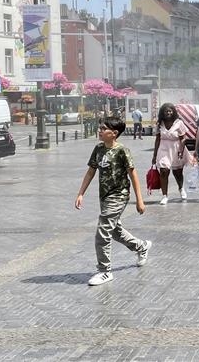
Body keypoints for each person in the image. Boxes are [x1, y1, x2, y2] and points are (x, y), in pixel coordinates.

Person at [74, 116, 151, 286]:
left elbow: (133, 175)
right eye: (100, 127)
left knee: (102, 231)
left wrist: (140, 200)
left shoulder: (122, 151)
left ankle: (105, 271)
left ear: (114, 133)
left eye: (103, 128)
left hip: (119, 195)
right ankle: (141, 246)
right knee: (115, 231)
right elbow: (90, 171)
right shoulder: (99, 149)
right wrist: (81, 193)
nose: (100, 130)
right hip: (105, 196)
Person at [152, 103, 194, 205]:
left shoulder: (179, 123)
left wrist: (181, 150)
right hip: (163, 149)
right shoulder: (159, 124)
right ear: (162, 112)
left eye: (170, 111)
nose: (168, 113)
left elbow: (183, 138)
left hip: (176, 149)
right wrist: (154, 155)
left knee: (178, 172)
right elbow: (157, 139)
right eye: (166, 111)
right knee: (164, 170)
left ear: (173, 112)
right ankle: (164, 196)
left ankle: (181, 188)